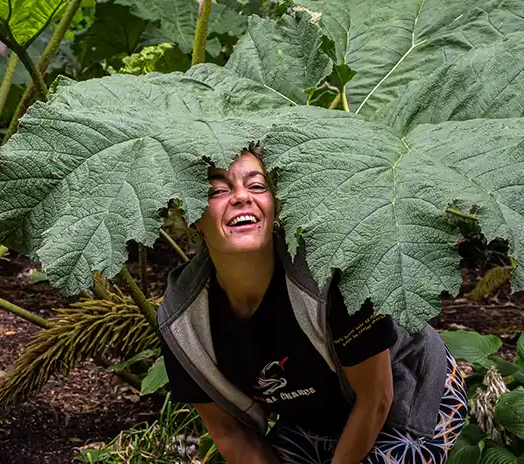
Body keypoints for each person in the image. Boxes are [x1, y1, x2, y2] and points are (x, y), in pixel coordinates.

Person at [158, 149, 467, 464]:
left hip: (409, 391)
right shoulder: (181, 318)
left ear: (275, 204)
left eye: (257, 186)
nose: (241, 197)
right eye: (218, 191)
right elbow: (229, 432)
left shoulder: (330, 271)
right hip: (317, 419)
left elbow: (377, 399)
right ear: (189, 216)